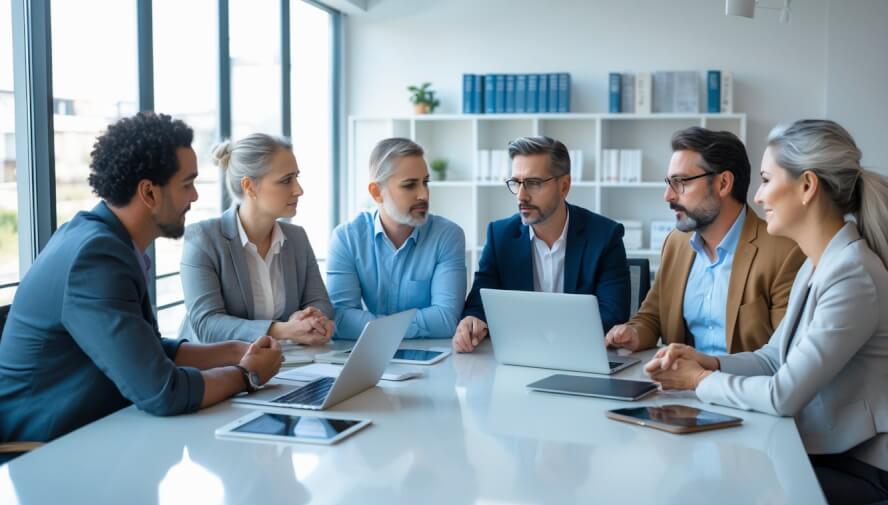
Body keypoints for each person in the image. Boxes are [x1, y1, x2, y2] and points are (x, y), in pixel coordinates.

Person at [645, 120, 888, 505]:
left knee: (720, 491)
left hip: (858, 466)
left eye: (765, 180)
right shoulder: (819, 263)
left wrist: (700, 380)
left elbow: (782, 395)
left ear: (807, 186)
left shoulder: (851, 274)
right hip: (821, 449)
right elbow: (773, 358)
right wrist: (706, 361)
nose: (756, 197)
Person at [0, 112, 282, 448]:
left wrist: (236, 351)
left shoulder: (103, 240)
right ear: (149, 192)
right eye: (187, 184)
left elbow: (146, 351)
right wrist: (247, 375)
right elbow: (163, 392)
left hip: (95, 434)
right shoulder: (97, 259)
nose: (194, 197)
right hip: (43, 452)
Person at [606, 127, 804, 356]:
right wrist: (634, 333)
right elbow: (653, 316)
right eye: (668, 182)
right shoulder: (675, 243)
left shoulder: (784, 251)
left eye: (681, 182)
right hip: (678, 387)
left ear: (723, 184)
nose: (668, 196)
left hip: (741, 388)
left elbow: (783, 354)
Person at [453, 136, 631, 353]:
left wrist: (545, 334)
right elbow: (479, 303)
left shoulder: (604, 236)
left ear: (564, 186)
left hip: (580, 358)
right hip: (519, 357)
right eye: (516, 183)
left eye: (533, 183)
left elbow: (612, 315)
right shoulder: (500, 236)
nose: (521, 195)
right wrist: (472, 320)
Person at [180, 134, 334, 345]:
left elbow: (321, 303)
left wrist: (314, 319)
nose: (299, 190)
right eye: (286, 180)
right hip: (215, 369)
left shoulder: (297, 238)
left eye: (297, 177)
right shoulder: (202, 239)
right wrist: (283, 330)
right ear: (249, 186)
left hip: (287, 365)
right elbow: (207, 324)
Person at [327, 137, 466, 339]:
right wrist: (413, 325)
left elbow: (446, 319)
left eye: (425, 182)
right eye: (409, 185)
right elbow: (340, 319)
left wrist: (370, 325)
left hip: (432, 357)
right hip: (367, 356)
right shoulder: (346, 238)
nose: (423, 195)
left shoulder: (447, 236)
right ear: (376, 193)